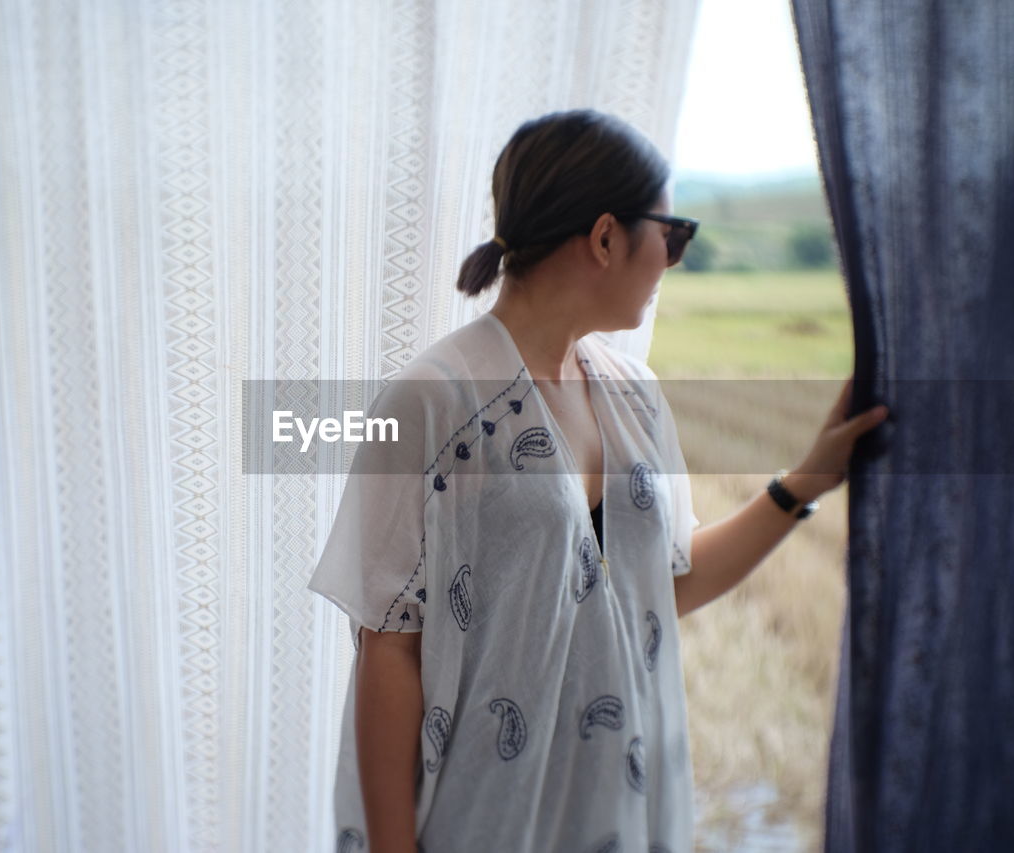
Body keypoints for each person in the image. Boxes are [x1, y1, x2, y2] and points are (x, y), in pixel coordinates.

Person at [307, 108, 889, 853]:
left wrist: (805, 481)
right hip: (475, 818)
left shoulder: (631, 393)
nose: (672, 259)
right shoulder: (433, 400)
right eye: (672, 235)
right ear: (608, 237)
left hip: (615, 804)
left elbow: (662, 584)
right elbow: (389, 646)